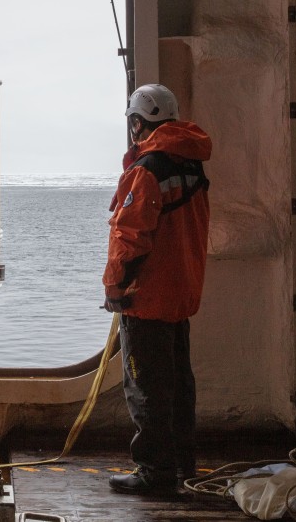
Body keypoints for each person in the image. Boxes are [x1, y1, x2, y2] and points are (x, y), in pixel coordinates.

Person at [102, 84, 212, 495]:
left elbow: (130, 237)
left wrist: (114, 286)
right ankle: (183, 465)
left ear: (136, 123)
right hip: (180, 292)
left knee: (146, 388)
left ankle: (155, 472)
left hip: (147, 297)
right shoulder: (191, 164)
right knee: (180, 386)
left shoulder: (147, 170)